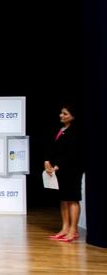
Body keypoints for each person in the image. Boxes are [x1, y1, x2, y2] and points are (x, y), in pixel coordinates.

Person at [44, 104, 83, 243]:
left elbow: (73, 153)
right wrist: (47, 161)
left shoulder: (76, 132)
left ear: (73, 116)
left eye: (65, 113)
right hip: (58, 170)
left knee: (72, 198)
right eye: (61, 113)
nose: (61, 115)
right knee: (63, 198)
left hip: (72, 169)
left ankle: (73, 230)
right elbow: (52, 147)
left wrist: (58, 166)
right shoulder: (60, 129)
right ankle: (65, 227)